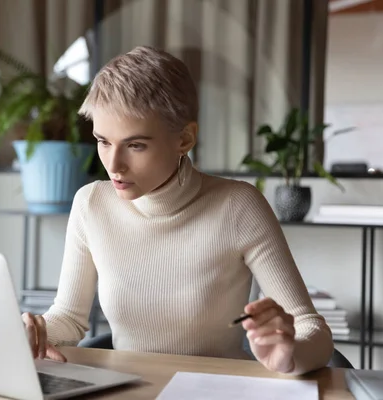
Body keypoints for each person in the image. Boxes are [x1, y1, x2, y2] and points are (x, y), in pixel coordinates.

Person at [21, 45, 333, 375]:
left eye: (135, 145)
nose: (114, 165)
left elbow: (312, 330)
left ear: (184, 139)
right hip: (131, 392)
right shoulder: (91, 204)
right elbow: (68, 319)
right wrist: (32, 332)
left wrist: (291, 353)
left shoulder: (238, 205)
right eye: (103, 141)